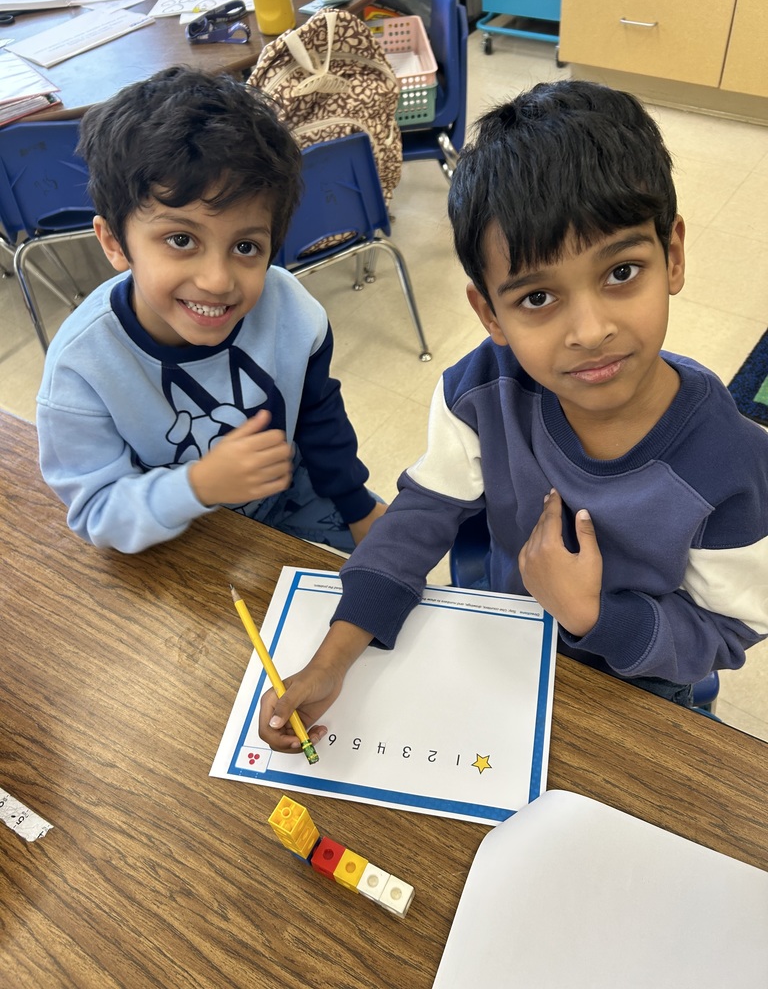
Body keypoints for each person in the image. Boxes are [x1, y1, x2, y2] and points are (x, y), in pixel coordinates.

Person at [258, 78, 768, 752]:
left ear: (672, 255)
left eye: (621, 273)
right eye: (536, 298)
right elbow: (417, 520)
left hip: (644, 688)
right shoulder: (480, 393)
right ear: (488, 313)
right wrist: (333, 657)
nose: (588, 330)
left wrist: (592, 613)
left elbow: (721, 637)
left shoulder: (735, 466)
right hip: (505, 644)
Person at [37, 66, 385, 554]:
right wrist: (197, 486)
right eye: (181, 240)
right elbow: (98, 513)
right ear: (114, 243)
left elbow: (319, 418)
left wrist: (357, 506)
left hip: (293, 501)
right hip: (176, 542)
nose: (218, 281)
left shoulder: (290, 311)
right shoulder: (81, 370)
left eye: (246, 247)